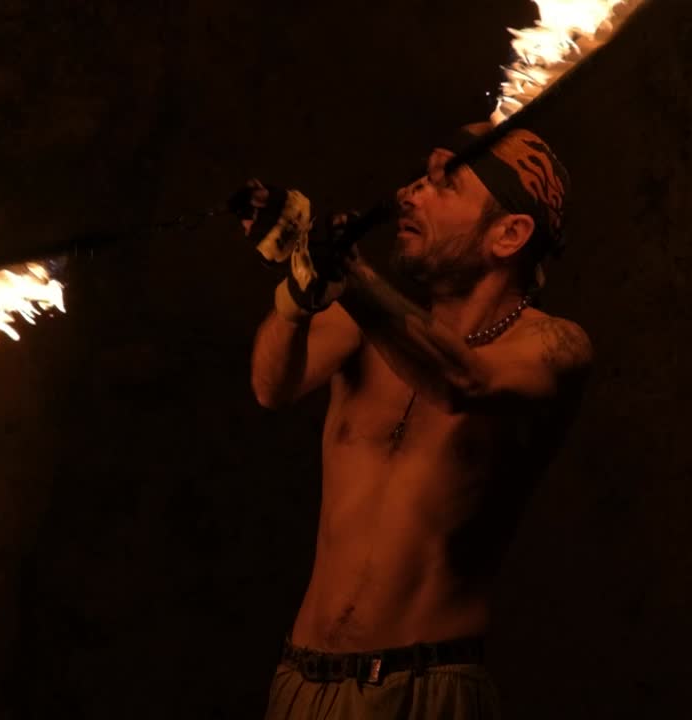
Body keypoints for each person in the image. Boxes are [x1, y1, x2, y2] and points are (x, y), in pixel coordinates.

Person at [239, 122, 593, 719]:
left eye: (443, 185)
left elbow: (460, 383)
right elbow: (272, 386)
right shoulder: (359, 324)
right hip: (301, 687)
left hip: (423, 693)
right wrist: (296, 291)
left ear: (509, 234)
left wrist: (350, 274)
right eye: (418, 178)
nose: (408, 194)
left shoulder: (556, 346)